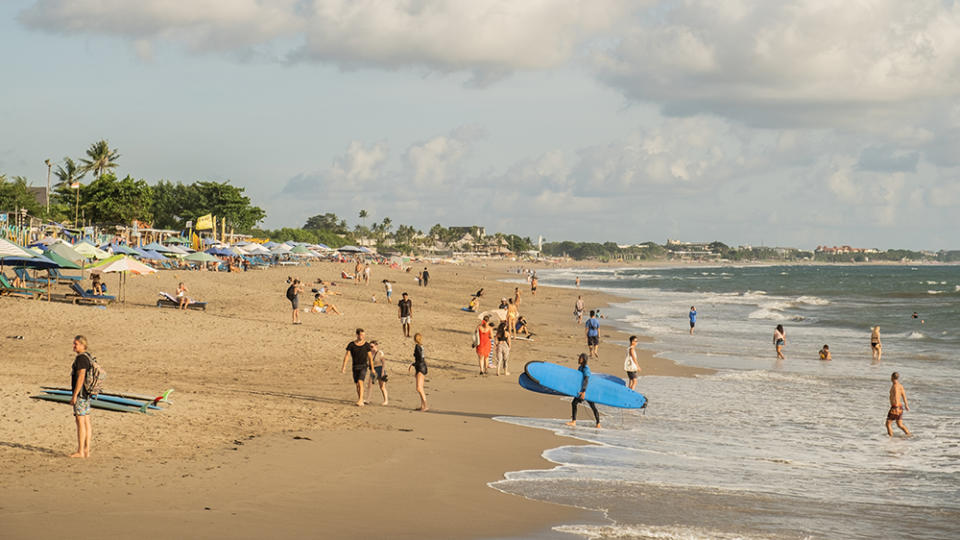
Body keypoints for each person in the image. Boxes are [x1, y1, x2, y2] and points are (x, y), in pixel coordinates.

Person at [69, 335, 94, 457]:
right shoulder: (88, 356)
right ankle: (86, 450)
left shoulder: (81, 359)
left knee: (80, 421)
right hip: (87, 394)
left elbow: (81, 377)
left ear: (83, 345)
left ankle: (80, 451)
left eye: (76, 344)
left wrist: (75, 395)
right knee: (86, 420)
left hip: (81, 394)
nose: (74, 346)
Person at [566, 353, 601, 428]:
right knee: (574, 403)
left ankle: (598, 423)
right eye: (580, 358)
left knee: (592, 406)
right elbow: (578, 379)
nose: (580, 359)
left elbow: (586, 380)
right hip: (582, 389)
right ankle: (574, 421)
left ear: (584, 359)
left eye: (581, 358)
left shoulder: (586, 369)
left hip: (587, 390)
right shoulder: (580, 367)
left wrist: (584, 391)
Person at [341, 328, 372, 407]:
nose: (362, 336)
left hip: (363, 366)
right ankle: (360, 398)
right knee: (357, 384)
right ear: (357, 335)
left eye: (363, 335)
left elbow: (370, 357)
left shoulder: (366, 345)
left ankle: (361, 400)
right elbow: (347, 356)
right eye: (361, 335)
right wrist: (344, 366)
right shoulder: (351, 344)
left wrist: (372, 368)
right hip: (355, 366)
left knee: (360, 381)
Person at [886, 372, 911, 437]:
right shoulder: (900, 386)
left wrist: (895, 407)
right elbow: (904, 395)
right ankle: (909, 435)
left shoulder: (895, 386)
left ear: (892, 377)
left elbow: (896, 397)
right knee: (899, 425)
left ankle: (890, 438)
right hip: (900, 407)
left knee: (888, 423)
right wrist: (906, 405)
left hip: (895, 407)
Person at [408, 333, 428, 411]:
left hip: (420, 367)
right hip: (422, 367)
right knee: (420, 388)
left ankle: (425, 405)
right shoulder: (421, 346)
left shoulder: (417, 346)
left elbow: (419, 358)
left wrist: (413, 364)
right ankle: (422, 405)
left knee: (419, 388)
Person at [367, 340, 388, 406]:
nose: (371, 348)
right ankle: (368, 399)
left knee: (382, 387)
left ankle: (386, 400)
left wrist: (382, 372)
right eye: (370, 346)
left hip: (380, 369)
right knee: (370, 385)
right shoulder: (369, 353)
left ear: (376, 346)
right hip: (373, 370)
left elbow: (383, 363)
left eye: (372, 346)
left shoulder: (380, 353)